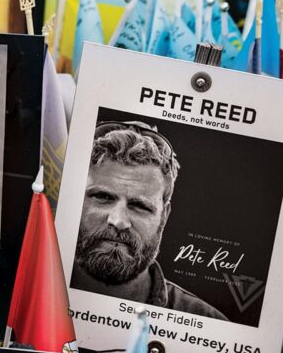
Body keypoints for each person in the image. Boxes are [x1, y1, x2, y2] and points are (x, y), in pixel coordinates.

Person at [69, 121, 225, 320]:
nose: (119, 221)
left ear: (164, 217)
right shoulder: (30, 289)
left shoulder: (208, 322)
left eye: (140, 206)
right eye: (103, 197)